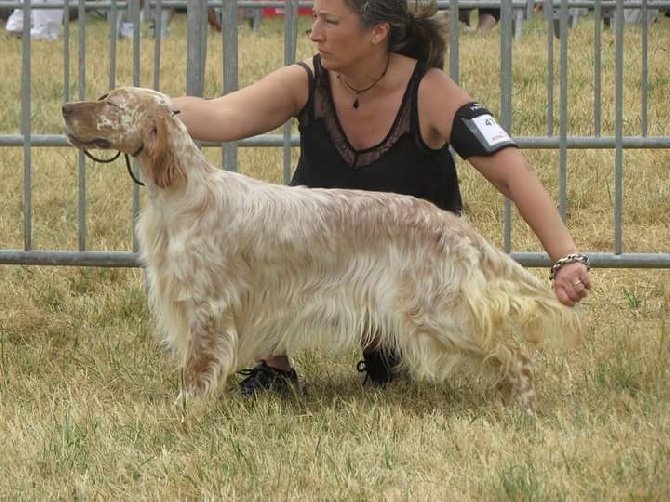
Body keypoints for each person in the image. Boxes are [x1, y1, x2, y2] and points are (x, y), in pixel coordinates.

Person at [171, 0, 591, 397]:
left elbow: (511, 172)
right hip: (317, 249)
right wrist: (148, 108)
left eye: (330, 22)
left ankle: (385, 344)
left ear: (378, 32)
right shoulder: (305, 80)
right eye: (315, 18)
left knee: (400, 350)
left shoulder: (430, 89)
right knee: (265, 244)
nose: (314, 33)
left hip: (407, 254)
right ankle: (272, 363)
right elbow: (221, 115)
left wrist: (565, 256)